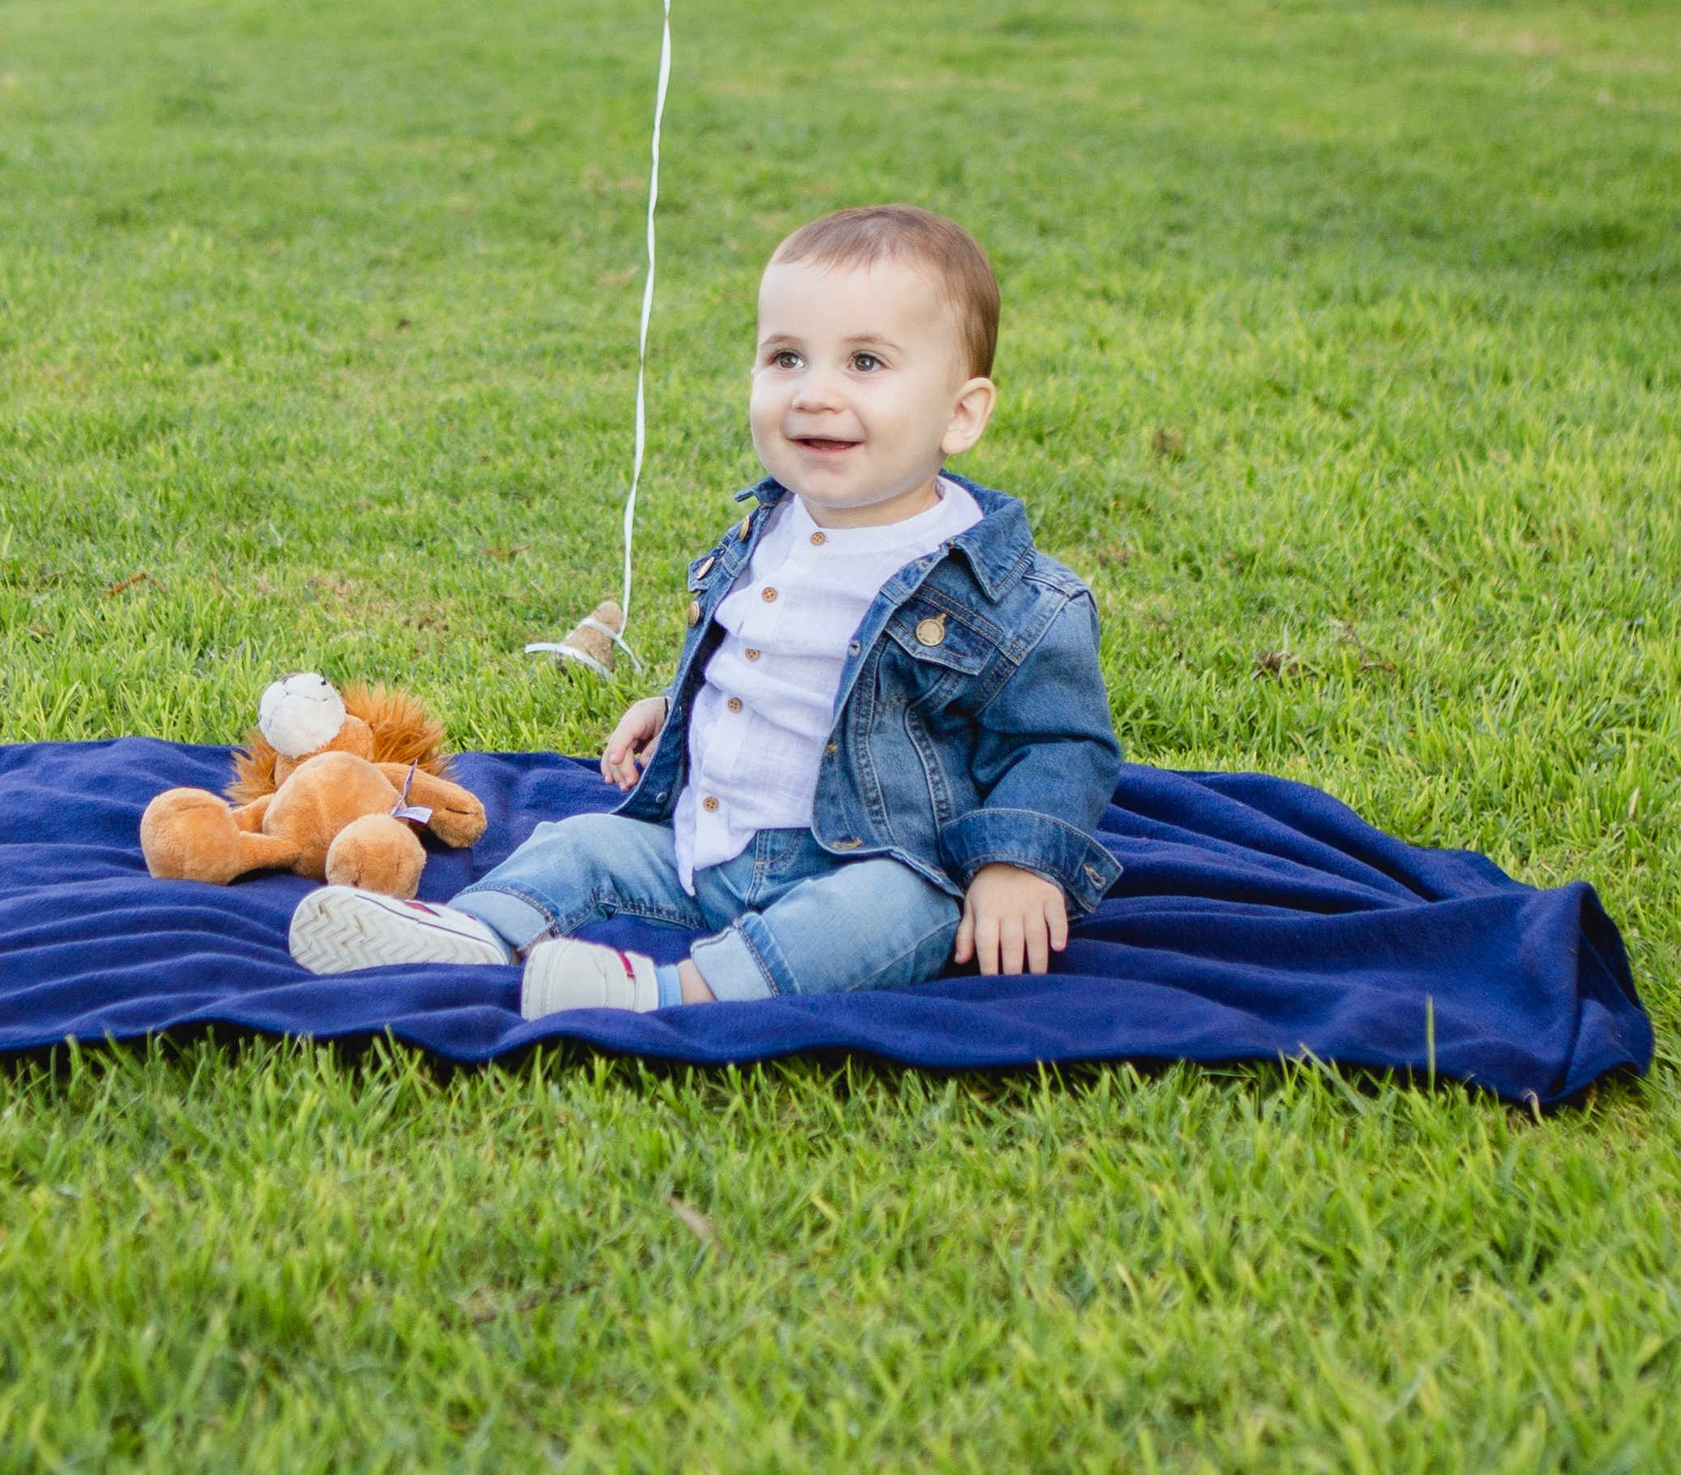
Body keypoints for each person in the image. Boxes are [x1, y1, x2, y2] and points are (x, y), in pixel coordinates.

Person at [289, 202, 1121, 1018]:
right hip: (704, 851)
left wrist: (1020, 862)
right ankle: (471, 931)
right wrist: (677, 703)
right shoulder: (770, 528)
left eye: (865, 362)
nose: (815, 393)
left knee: (897, 909)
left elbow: (1061, 742)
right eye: (787, 357)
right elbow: (771, 660)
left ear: (962, 413)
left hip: (863, 863)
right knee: (581, 842)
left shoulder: (1008, 594)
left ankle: (670, 991)